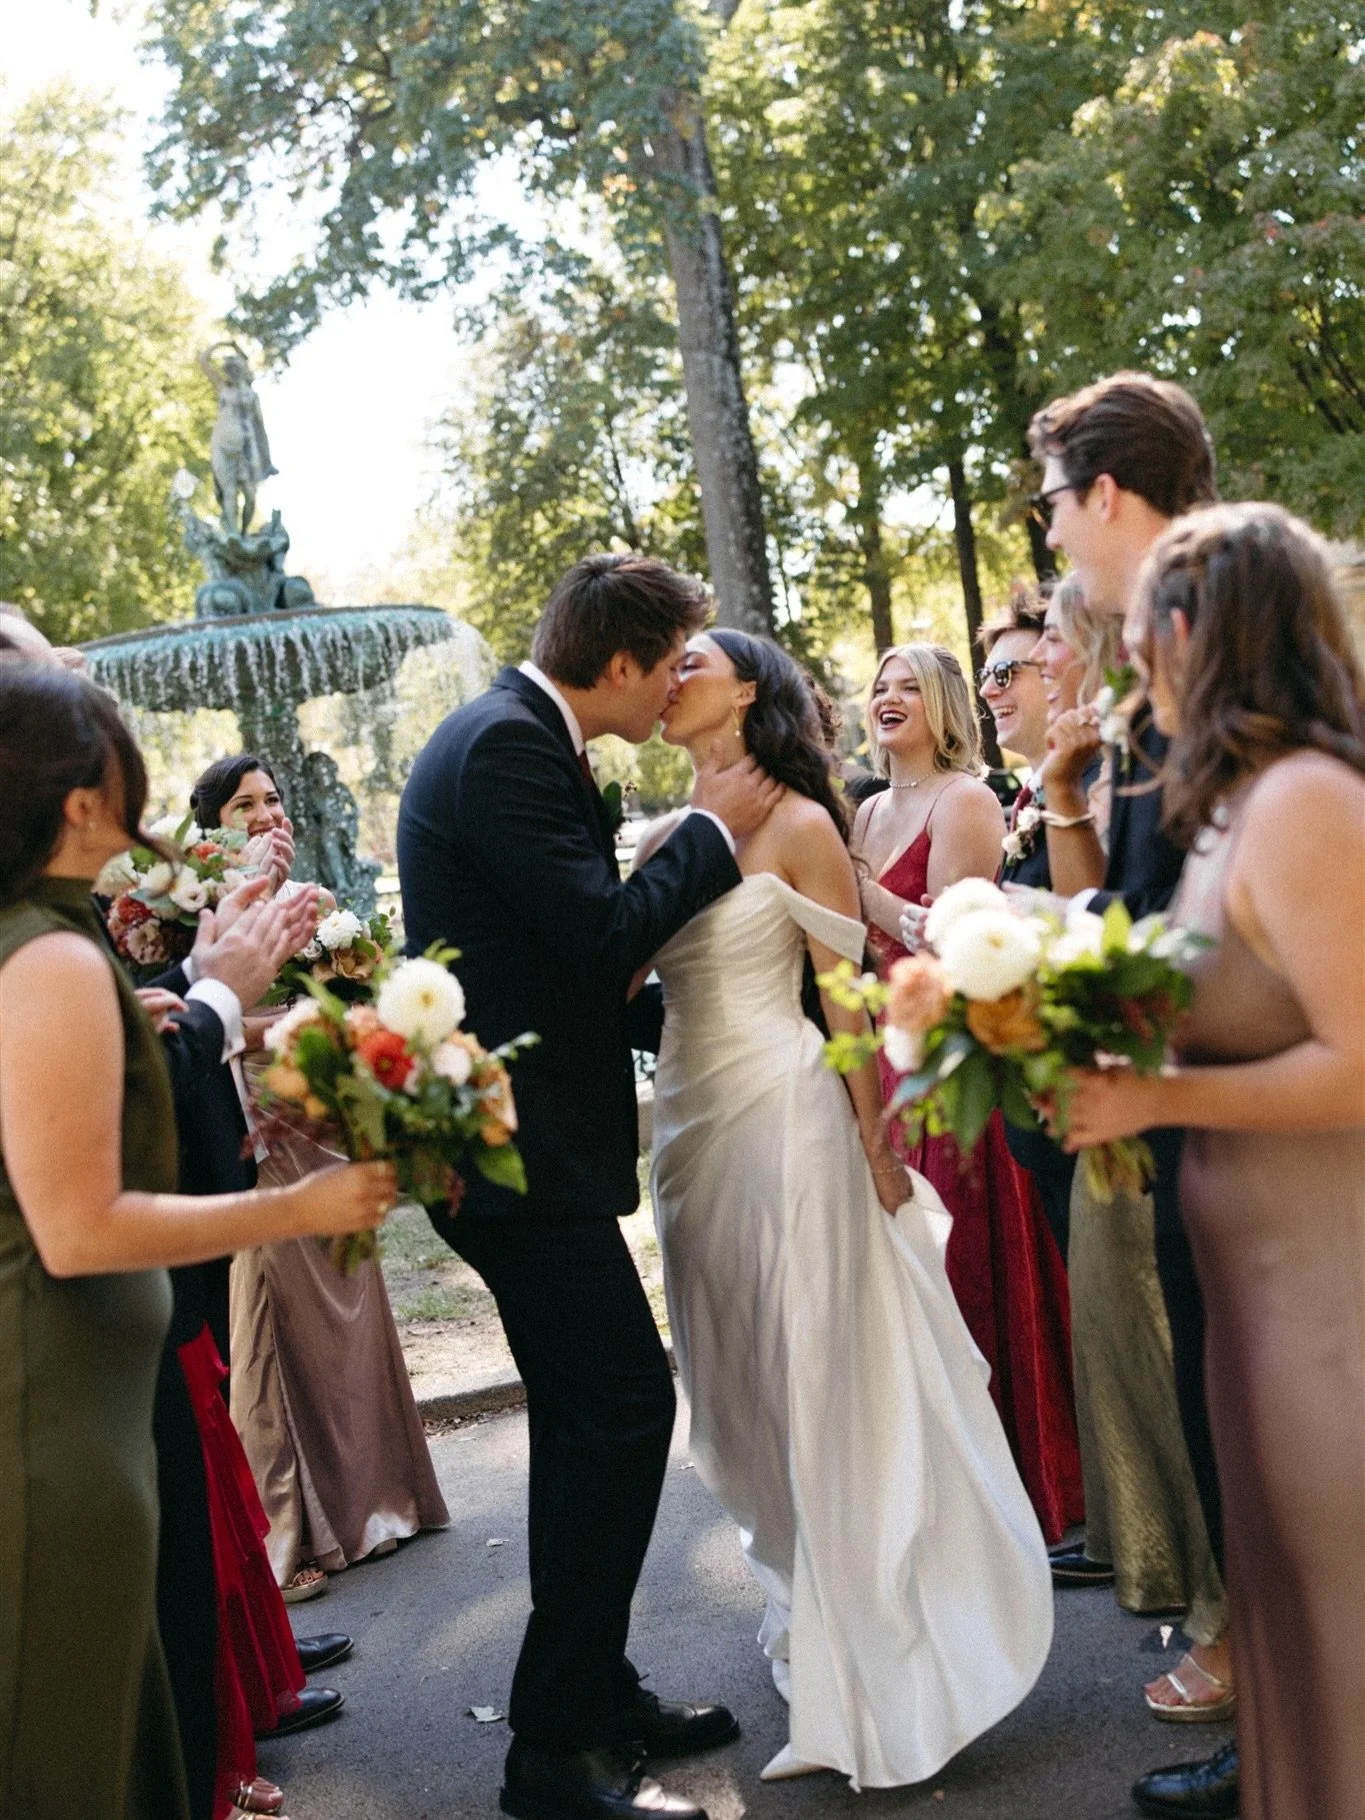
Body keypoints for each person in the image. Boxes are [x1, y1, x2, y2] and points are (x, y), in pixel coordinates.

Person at [398, 554, 781, 1820]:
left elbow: (564, 965)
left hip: (527, 1150)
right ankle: (553, 1749)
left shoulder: (520, 737)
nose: (676, 682)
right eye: (668, 661)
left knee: (587, 1419)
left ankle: (595, 1694)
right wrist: (712, 829)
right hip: (509, 1157)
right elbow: (600, 934)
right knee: (620, 1408)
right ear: (618, 664)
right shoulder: (507, 746)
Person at [643, 628, 1053, 1787]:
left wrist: (877, 1145)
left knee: (816, 1379)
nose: (670, 677)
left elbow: (843, 1000)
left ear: (747, 692)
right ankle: (803, 1591)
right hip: (687, 1134)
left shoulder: (803, 822)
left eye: (691, 662)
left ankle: (868, 1668)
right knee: (734, 1395)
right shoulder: (668, 837)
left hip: (787, 1121)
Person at [0, 663, 394, 1820]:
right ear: (84, 800)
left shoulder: (48, 938)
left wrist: (191, 986)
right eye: (129, 777)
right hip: (62, 1414)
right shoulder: (50, 951)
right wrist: (297, 1207)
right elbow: (77, 1225)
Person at [1060, 504, 1365, 1820]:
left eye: (1138, 636)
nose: (1128, 664)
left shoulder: (1305, 802)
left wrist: (1156, 1097)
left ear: (1191, 630)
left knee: (1345, 1630)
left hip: (1329, 1297)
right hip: (1255, 1297)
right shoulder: (1230, 805)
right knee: (1290, 1625)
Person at [1028, 374, 1232, 1718]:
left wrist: (1057, 939)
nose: (1050, 530)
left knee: (1240, 1409)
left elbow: (1181, 905)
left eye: (1054, 501)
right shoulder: (1182, 638)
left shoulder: (1195, 646)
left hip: (1224, 1101)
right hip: (1194, 1091)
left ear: (1105, 492)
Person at [189, 753, 449, 1599]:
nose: (265, 815)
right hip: (257, 1126)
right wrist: (287, 1024)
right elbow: (203, 1027)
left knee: (350, 1306)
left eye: (271, 800)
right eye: (243, 805)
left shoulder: (320, 906)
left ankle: (379, 1501)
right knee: (274, 1318)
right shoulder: (206, 920)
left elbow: (352, 1003)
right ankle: (283, 1532)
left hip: (325, 1119)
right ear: (211, 828)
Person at [850, 641, 1083, 1546]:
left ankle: (1012, 1487)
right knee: (901, 1282)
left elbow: (945, 935)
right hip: (879, 1060)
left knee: (960, 1270)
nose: (888, 697)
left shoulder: (966, 800)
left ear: (944, 704)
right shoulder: (867, 810)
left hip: (949, 1063)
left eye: (909, 686)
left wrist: (860, 891)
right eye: (880, 686)